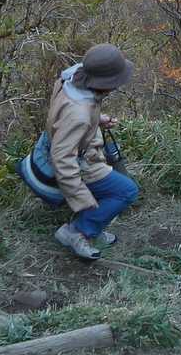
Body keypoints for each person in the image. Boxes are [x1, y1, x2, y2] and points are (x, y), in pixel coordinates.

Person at [47, 43, 140, 261]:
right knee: (127, 191)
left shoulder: (70, 79)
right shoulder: (79, 115)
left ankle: (93, 225)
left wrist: (97, 120)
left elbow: (67, 114)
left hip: (79, 148)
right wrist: (81, 199)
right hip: (82, 163)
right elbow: (62, 158)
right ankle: (78, 231)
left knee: (118, 188)